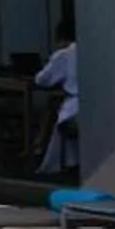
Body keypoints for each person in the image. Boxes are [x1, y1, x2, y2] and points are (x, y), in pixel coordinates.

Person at [34, 19, 79, 176]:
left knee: (52, 108)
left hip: (74, 109)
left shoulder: (64, 55)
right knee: (54, 105)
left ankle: (39, 148)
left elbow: (42, 80)